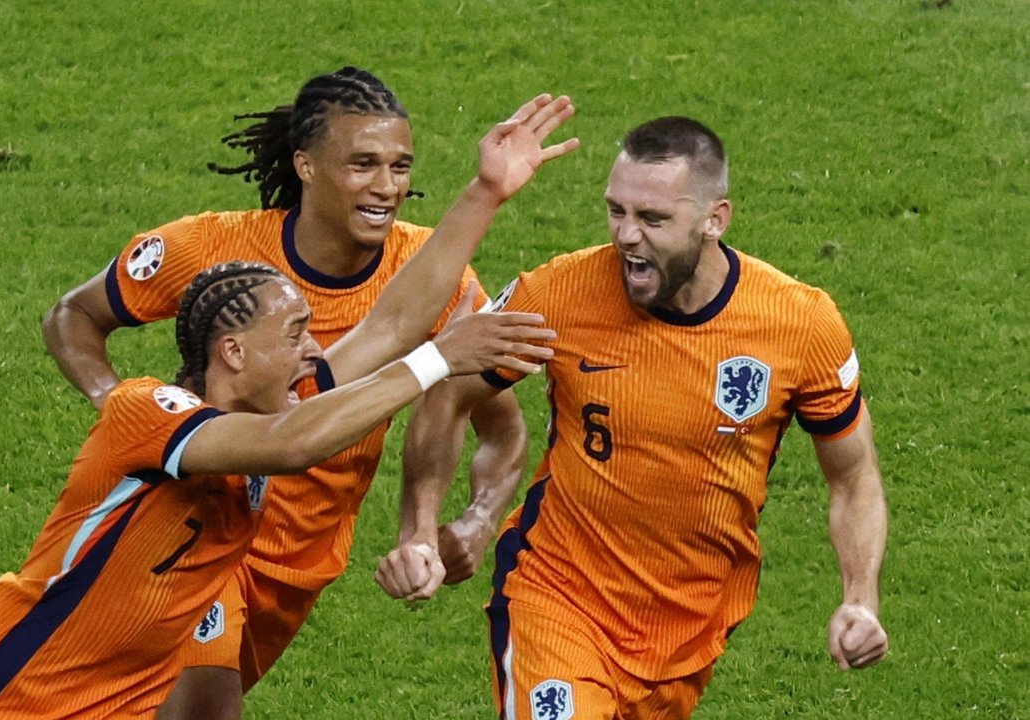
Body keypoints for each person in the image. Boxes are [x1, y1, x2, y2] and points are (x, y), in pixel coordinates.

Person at [0, 93, 576, 720]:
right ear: (234, 352)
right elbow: (295, 443)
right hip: (1, 698)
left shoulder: (269, 407)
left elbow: (391, 325)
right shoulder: (156, 415)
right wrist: (436, 360)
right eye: (294, 334)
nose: (316, 348)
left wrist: (486, 193)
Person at [377, 116, 889, 719]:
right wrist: (425, 528)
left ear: (714, 220)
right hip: (557, 594)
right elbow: (448, 391)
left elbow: (853, 478)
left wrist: (860, 598)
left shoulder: (799, 323)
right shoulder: (559, 294)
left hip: (690, 623)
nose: (626, 235)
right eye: (616, 211)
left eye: (652, 219)